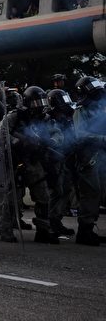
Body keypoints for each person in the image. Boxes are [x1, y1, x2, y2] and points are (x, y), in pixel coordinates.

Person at [0, 86, 60, 244]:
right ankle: (6, 230)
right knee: (12, 197)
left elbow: (56, 133)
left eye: (42, 102)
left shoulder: (45, 118)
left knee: (43, 196)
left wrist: (51, 142)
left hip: (34, 162)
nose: (39, 106)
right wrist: (19, 142)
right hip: (16, 160)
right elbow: (2, 134)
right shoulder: (15, 116)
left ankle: (43, 230)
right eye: (35, 103)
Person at [72, 76, 106, 246]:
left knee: (99, 193)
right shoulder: (80, 111)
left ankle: (89, 229)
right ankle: (84, 232)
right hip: (88, 158)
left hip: (100, 157)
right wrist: (102, 139)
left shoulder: (100, 110)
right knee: (90, 194)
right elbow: (81, 135)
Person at [45, 89, 77, 236]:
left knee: (65, 189)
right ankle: (50, 221)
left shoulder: (67, 116)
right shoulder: (48, 118)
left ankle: (56, 219)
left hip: (66, 156)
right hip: (53, 159)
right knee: (56, 190)